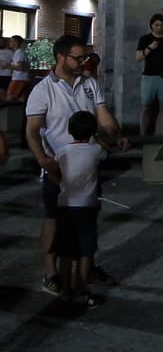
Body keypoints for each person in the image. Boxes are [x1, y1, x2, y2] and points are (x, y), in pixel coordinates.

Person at [25, 34, 128, 294]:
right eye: (78, 57)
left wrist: (116, 134)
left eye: (86, 57)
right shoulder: (42, 90)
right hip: (57, 167)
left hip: (87, 167)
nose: (84, 61)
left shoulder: (89, 83)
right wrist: (43, 160)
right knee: (53, 219)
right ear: (61, 57)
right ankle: (51, 271)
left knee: (88, 218)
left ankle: (87, 268)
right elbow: (33, 130)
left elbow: (103, 116)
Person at [52, 110, 108, 306]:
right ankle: (81, 290)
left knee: (66, 252)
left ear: (69, 130)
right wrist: (99, 137)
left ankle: (65, 291)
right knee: (86, 251)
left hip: (65, 204)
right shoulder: (95, 151)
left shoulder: (62, 151)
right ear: (93, 131)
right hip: (87, 206)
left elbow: (54, 171)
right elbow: (106, 151)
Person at [5, 36, 31, 100]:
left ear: (16, 42)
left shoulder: (19, 53)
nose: (9, 43)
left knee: (10, 98)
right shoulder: (18, 52)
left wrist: (7, 66)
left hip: (19, 79)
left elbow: (20, 67)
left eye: (11, 41)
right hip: (22, 79)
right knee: (21, 99)